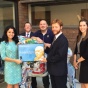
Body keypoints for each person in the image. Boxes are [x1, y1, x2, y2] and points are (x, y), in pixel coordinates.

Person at [32, 20, 54, 88]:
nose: (42, 25)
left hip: (48, 56)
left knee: (45, 73)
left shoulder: (51, 33)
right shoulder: (37, 33)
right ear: (39, 26)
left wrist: (45, 44)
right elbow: (32, 38)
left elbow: (55, 45)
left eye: (44, 24)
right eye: (41, 24)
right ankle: (34, 86)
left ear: (47, 25)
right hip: (38, 56)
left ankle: (46, 86)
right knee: (34, 71)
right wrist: (37, 38)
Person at [47, 19, 68, 88]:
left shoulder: (63, 40)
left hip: (59, 72)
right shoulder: (55, 37)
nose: (54, 29)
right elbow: (54, 51)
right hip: (54, 71)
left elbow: (59, 56)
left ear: (61, 27)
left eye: (56, 27)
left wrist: (47, 59)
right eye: (53, 27)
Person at [19, 22, 37, 88]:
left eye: (29, 26)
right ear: (24, 27)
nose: (27, 27)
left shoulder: (34, 35)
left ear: (31, 27)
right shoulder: (20, 35)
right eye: (26, 26)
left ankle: (34, 86)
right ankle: (24, 85)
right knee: (24, 73)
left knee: (32, 74)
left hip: (32, 58)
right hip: (23, 58)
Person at [73, 19, 88, 88]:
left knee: (86, 83)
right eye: (80, 25)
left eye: (84, 25)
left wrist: (77, 61)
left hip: (86, 63)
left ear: (87, 26)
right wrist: (74, 61)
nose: (82, 27)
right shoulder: (79, 36)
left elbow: (86, 54)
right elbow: (76, 50)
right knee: (81, 81)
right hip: (79, 61)